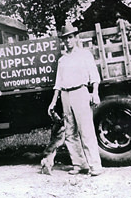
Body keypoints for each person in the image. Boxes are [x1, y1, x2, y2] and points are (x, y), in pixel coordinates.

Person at [47, 22, 103, 176]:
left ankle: (95, 166)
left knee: (86, 130)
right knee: (70, 132)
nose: (67, 41)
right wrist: (53, 101)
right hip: (66, 95)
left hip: (81, 92)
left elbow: (94, 76)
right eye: (65, 39)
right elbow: (58, 83)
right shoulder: (62, 60)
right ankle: (79, 164)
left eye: (70, 37)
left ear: (76, 38)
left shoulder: (85, 55)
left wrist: (95, 92)